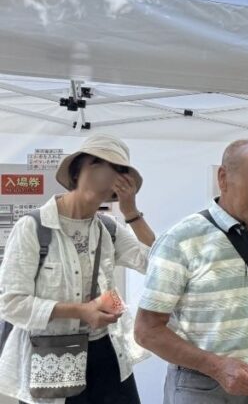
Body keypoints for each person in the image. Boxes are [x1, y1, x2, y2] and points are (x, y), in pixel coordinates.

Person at [134, 140, 248, 404]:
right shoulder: (181, 240)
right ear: (223, 177)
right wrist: (215, 366)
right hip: (202, 386)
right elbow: (146, 331)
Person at [0, 134, 155, 404]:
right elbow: (12, 304)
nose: (105, 174)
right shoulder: (33, 228)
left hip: (108, 352)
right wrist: (80, 311)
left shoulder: (108, 229)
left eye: (117, 169)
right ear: (76, 170)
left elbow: (158, 265)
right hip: (52, 354)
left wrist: (132, 213)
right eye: (96, 163)